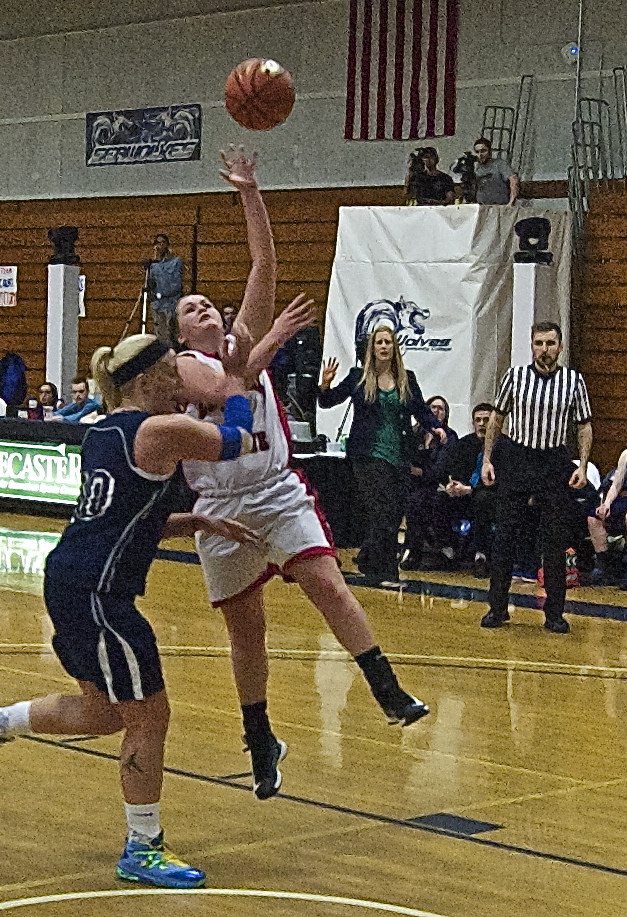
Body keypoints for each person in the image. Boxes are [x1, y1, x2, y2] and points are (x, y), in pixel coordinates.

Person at [0, 333, 262, 890]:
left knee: (105, 711)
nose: (182, 384)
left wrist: (194, 521)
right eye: (172, 373)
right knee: (150, 716)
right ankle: (143, 847)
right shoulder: (157, 430)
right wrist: (238, 382)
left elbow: (120, 518)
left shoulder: (102, 431)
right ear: (145, 381)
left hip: (73, 580)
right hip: (99, 594)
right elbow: (236, 440)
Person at [176, 148, 429, 803]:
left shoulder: (241, 335)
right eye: (191, 307)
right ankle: (259, 737)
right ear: (179, 332)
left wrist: (249, 191)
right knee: (247, 632)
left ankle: (386, 688)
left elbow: (264, 263)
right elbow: (234, 383)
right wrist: (273, 340)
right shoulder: (182, 369)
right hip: (221, 508)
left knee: (328, 584)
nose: (205, 308)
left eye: (209, 302)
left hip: (274, 490)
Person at [480, 321, 592, 634]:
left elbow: (584, 424)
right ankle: (497, 608)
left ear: (560, 347)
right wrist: (487, 459)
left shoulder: (573, 381)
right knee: (505, 536)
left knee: (555, 541)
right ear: (531, 346)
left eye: (550, 343)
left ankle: (555, 613)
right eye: (539, 343)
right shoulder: (515, 376)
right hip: (517, 458)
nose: (544, 349)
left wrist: (582, 465)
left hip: (553, 460)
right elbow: (497, 418)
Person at [319, 328, 444, 584]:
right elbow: (328, 401)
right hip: (368, 454)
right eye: (379, 342)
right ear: (372, 348)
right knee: (383, 510)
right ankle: (386, 571)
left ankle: (368, 557)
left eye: (388, 342)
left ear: (394, 348)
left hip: (399, 454)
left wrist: (435, 427)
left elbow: (420, 409)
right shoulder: (358, 377)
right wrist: (325, 384)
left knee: (395, 512)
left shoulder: (407, 379)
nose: (384, 346)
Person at [402, 395, 458, 569]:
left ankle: (422, 549)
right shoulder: (414, 433)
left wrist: (419, 472)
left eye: (441, 409)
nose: (436, 411)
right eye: (433, 407)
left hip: (438, 485)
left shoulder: (449, 436)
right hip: (413, 484)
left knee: (419, 501)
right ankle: (409, 549)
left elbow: (441, 469)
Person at [444, 403, 498, 578]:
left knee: (483, 500)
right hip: (464, 492)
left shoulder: (504, 446)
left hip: (489, 495)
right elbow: (454, 470)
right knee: (438, 498)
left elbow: (500, 481)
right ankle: (446, 550)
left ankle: (481, 556)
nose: (481, 424)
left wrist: (470, 490)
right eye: (478, 420)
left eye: (486, 420)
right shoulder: (464, 444)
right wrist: (453, 485)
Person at [587, 445, 627, 591]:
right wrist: (606, 504)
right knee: (594, 518)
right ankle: (605, 567)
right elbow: (616, 484)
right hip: (626, 499)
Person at [147, 234, 184, 346]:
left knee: (173, 336)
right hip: (158, 306)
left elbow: (176, 285)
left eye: (163, 242)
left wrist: (160, 294)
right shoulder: (153, 265)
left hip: (171, 304)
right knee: (161, 338)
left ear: (167, 245)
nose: (160, 245)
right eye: (158, 243)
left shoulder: (175, 262)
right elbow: (150, 284)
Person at [472, 137, 519, 206]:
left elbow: (513, 181)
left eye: (483, 151)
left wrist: (511, 202)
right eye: (477, 152)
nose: (480, 155)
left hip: (500, 206)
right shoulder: (475, 168)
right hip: (481, 206)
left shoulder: (500, 165)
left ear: (490, 151)